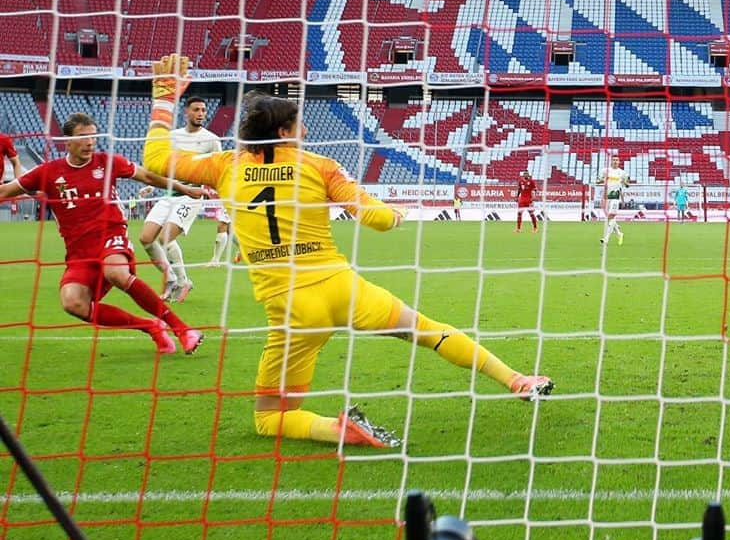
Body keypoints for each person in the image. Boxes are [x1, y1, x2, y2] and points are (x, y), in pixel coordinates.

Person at [143, 55, 553, 449]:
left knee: (270, 418)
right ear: (285, 132)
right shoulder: (318, 165)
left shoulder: (224, 166)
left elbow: (155, 158)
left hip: (290, 310)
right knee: (426, 330)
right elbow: (373, 218)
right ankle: (515, 379)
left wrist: (164, 97)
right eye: (298, 124)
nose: (304, 129)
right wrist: (395, 215)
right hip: (340, 288)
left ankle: (338, 430)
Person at [0, 112, 205, 356]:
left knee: (116, 272)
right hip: (79, 251)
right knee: (73, 303)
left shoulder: (108, 162)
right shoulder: (49, 172)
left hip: (111, 234)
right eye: (83, 137)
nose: (90, 142)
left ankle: (182, 329)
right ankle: (150, 327)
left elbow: (147, 176)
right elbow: (5, 191)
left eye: (94, 136)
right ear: (67, 141)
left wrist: (182, 188)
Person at [139, 95, 224, 302]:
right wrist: (151, 185)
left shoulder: (212, 140)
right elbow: (164, 165)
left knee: (165, 239)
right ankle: (171, 278)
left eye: (203, 110)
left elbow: (220, 169)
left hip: (192, 196)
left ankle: (183, 280)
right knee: (146, 239)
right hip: (169, 193)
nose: (200, 114)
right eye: (196, 110)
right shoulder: (172, 136)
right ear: (186, 112)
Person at [601, 154, 630, 246]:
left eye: (617, 160)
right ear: (611, 161)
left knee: (610, 216)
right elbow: (598, 181)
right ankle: (619, 233)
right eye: (613, 160)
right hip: (607, 197)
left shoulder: (622, 173)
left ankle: (606, 239)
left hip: (615, 197)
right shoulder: (606, 171)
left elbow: (627, 185)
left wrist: (623, 182)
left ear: (619, 162)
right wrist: (602, 179)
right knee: (610, 218)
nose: (615, 161)